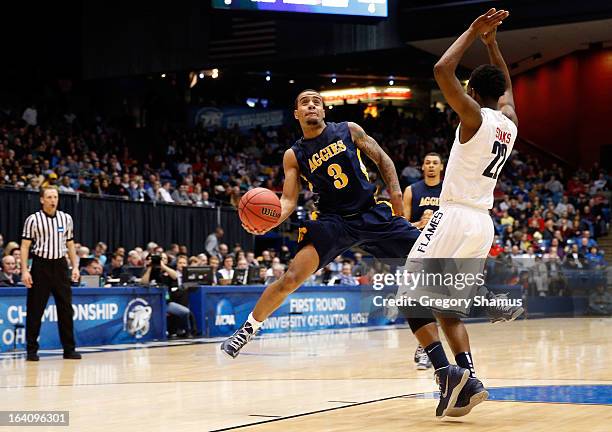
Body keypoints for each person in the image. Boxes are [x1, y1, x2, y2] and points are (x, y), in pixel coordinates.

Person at [220, 88, 420, 357]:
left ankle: (468, 307)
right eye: (305, 102)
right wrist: (272, 221)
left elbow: (382, 158)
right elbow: (289, 200)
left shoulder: (348, 130)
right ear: (297, 114)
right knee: (290, 278)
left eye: (317, 102)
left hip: (369, 213)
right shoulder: (294, 155)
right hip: (332, 222)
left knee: (428, 256)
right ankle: (246, 331)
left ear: (324, 110)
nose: (311, 105)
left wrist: (396, 195)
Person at [400, 8, 516, 418]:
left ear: (471, 90)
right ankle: (469, 380)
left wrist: (473, 32)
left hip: (453, 216)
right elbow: (508, 90)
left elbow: (440, 69)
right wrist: (493, 46)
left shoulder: (474, 117)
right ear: (500, 93)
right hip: (483, 223)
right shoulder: (510, 123)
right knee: (448, 308)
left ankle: (444, 372)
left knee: (410, 298)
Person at [20, 187, 82, 361]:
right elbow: (25, 246)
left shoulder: (66, 218)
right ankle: (32, 350)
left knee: (66, 309)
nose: (53, 200)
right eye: (49, 197)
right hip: (41, 266)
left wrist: (75, 267)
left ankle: (69, 349)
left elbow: (70, 244)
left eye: (55, 197)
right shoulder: (33, 220)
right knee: (35, 310)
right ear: (42, 200)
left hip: (61, 266)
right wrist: (25, 270)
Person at [141, 253, 193, 337]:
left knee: (185, 312)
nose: (162, 261)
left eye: (164, 259)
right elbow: (144, 282)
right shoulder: (148, 270)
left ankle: (187, 331)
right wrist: (150, 267)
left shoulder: (168, 269)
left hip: (166, 302)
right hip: (151, 303)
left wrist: (162, 265)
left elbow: (175, 276)